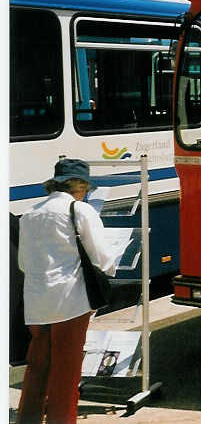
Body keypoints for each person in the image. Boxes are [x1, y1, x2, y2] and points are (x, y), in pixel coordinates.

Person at [16, 159, 118, 424]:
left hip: (37, 304)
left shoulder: (29, 214)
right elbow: (104, 258)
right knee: (66, 371)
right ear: (81, 186)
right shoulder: (79, 211)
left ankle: (27, 419)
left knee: (37, 367)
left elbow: (23, 263)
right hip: (70, 302)